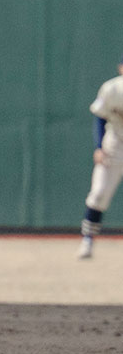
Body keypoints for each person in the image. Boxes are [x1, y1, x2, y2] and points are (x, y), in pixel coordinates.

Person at [79, 57, 123, 259]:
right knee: (98, 193)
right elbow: (99, 117)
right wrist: (98, 147)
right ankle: (87, 240)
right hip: (114, 143)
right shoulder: (111, 89)